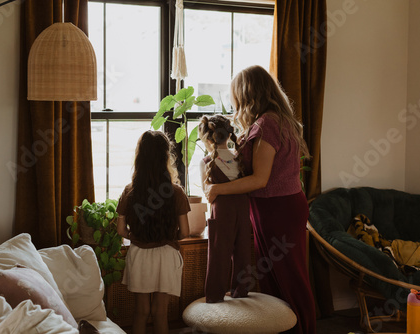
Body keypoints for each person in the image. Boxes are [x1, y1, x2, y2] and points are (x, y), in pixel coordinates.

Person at [204, 65, 316, 334]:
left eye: (236, 97)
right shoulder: (276, 120)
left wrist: (216, 190)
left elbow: (259, 180)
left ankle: (301, 329)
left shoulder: (268, 124)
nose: (235, 103)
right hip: (278, 206)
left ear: (247, 95)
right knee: (278, 276)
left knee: (288, 277)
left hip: (277, 208)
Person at [116, 130, 190, 334]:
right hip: (166, 255)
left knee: (141, 311)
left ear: (140, 157)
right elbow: (184, 231)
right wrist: (166, 237)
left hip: (139, 255)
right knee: (160, 312)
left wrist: (137, 237)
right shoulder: (176, 192)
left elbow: (121, 229)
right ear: (166, 157)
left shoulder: (129, 190)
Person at [198, 114, 251, 303]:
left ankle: (214, 295)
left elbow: (208, 193)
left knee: (219, 252)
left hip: (221, 211)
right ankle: (241, 291)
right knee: (243, 250)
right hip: (244, 209)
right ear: (229, 135)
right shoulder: (240, 158)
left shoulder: (206, 162)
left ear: (207, 138)